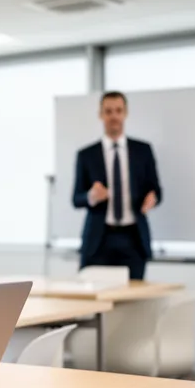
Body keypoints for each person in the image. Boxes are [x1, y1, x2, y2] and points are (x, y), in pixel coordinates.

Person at [72, 91, 162, 280]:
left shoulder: (142, 151)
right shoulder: (86, 155)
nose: (114, 116)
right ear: (101, 114)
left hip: (133, 238)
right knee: (95, 301)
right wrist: (91, 196)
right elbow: (76, 198)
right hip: (99, 239)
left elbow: (156, 190)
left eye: (118, 111)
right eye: (109, 111)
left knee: (132, 303)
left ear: (125, 113)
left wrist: (152, 199)